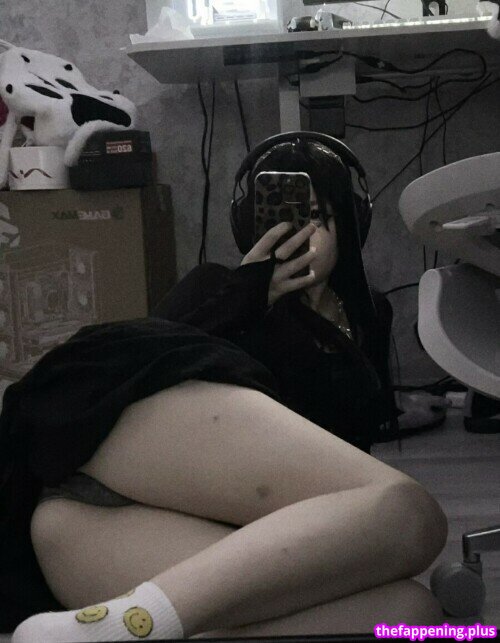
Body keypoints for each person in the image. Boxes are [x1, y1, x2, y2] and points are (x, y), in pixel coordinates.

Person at [6, 137, 448, 642]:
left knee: (411, 612)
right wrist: (247, 294)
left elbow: (349, 469)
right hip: (89, 502)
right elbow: (136, 361)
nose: (301, 232)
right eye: (281, 215)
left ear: (351, 225)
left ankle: (125, 626)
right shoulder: (220, 286)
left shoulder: (369, 314)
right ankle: (145, 622)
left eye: (317, 217)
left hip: (121, 541)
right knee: (410, 511)